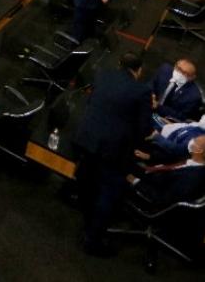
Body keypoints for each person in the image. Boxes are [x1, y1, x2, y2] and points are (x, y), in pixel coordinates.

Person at [73, 52, 152, 256]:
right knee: (108, 193)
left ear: (119, 64)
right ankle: (93, 240)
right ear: (139, 70)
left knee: (86, 182)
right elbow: (143, 128)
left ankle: (87, 221)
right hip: (114, 151)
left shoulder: (102, 75)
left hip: (88, 139)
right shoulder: (142, 91)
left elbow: (92, 103)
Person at [127, 135, 205, 210]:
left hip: (149, 187)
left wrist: (136, 181)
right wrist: (149, 157)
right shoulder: (191, 157)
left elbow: (163, 198)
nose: (191, 141)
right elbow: (171, 159)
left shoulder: (191, 178)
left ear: (200, 151)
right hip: (154, 174)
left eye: (195, 141)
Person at [151, 59, 202, 124]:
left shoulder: (194, 96)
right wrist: (151, 95)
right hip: (148, 105)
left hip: (166, 120)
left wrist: (158, 107)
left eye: (185, 73)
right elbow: (151, 85)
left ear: (192, 77)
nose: (180, 73)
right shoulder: (164, 69)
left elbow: (181, 116)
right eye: (179, 69)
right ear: (175, 66)